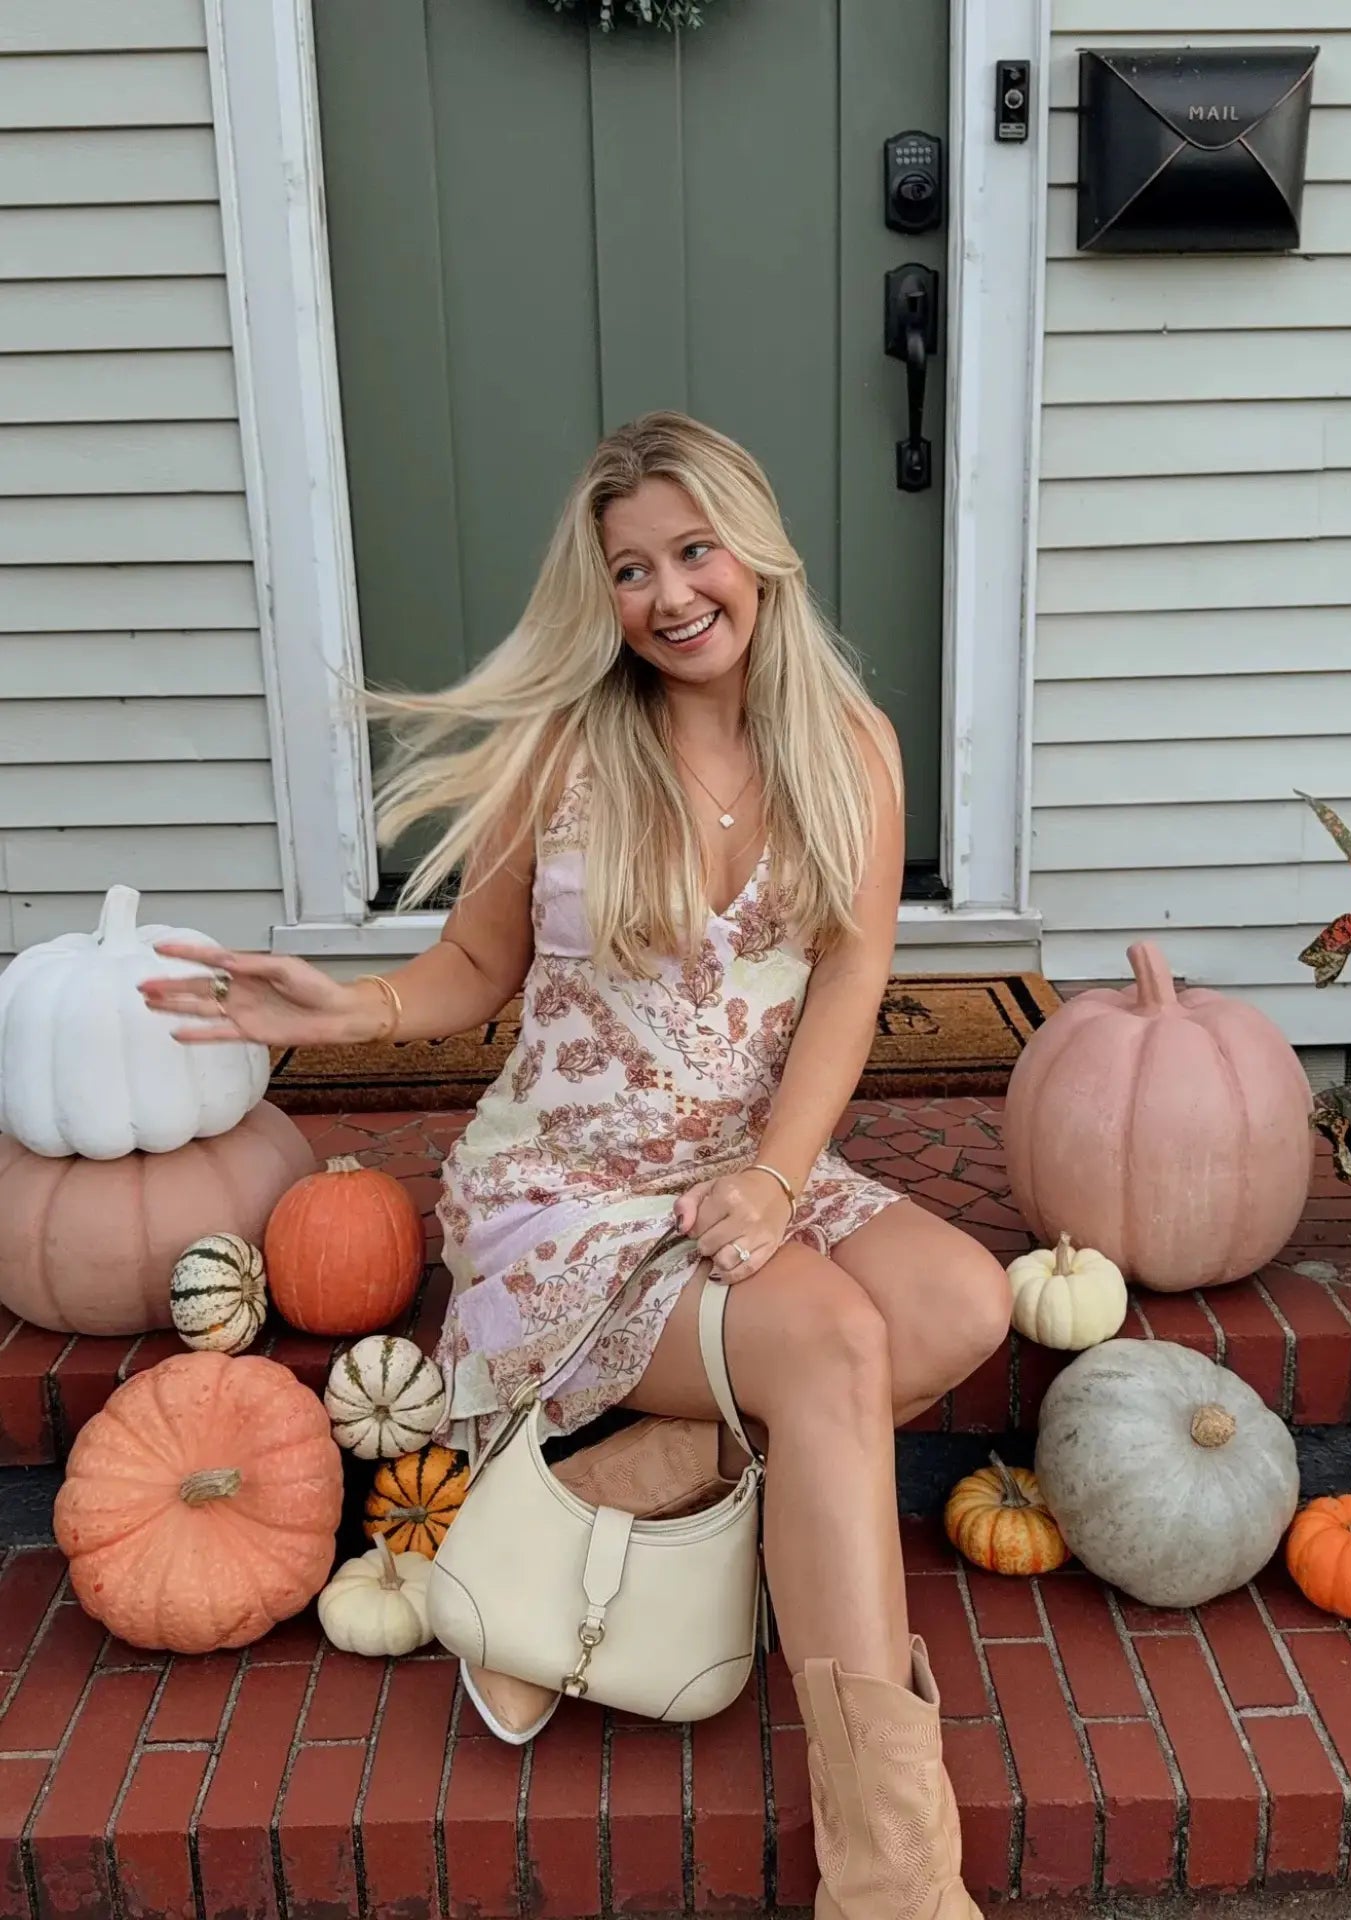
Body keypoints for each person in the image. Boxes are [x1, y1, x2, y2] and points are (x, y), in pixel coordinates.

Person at [140, 413, 1009, 1920]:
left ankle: (617, 1491)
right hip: (567, 1195)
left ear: (757, 552)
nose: (670, 594)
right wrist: (350, 1012)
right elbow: (475, 966)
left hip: (735, 1168)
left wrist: (779, 1178)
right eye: (630, 569)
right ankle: (891, 1872)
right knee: (833, 1350)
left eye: (694, 550)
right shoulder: (570, 748)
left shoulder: (851, 746)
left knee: (965, 1305)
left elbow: (852, 985)